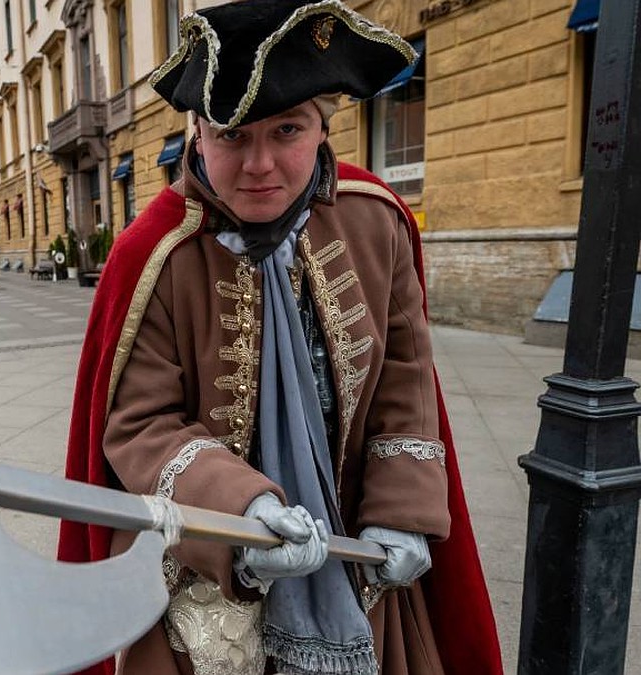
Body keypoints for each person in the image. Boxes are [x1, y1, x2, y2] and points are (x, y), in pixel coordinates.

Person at [57, 2, 501, 675]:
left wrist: (401, 506)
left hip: (358, 564)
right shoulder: (152, 253)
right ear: (197, 135)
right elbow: (138, 423)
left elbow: (406, 382)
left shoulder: (376, 220)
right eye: (232, 135)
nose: (259, 163)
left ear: (323, 126)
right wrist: (241, 508)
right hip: (207, 587)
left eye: (287, 129)